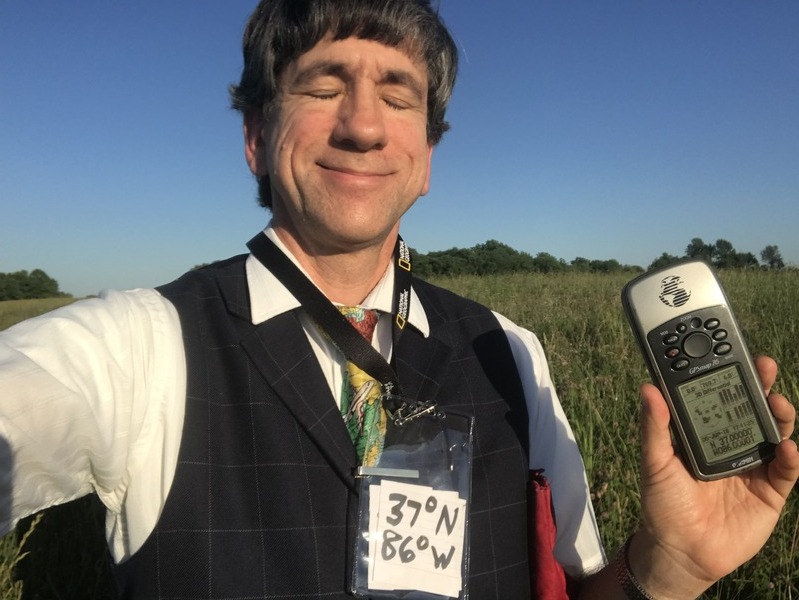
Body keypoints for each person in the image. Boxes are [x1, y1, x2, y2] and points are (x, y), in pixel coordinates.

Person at [1, 1, 797, 598]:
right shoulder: (137, 346)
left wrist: (667, 569)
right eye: (322, 86)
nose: (363, 126)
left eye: (399, 94)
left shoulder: (510, 351)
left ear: (426, 156)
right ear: (254, 136)